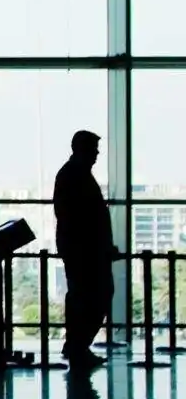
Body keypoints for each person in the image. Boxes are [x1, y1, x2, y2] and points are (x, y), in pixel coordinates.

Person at [55, 129, 119, 369]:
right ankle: (78, 345)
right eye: (93, 149)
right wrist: (98, 247)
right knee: (92, 296)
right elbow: (81, 218)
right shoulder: (75, 176)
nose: (97, 154)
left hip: (83, 250)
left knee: (85, 296)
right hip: (85, 252)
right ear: (82, 149)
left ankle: (77, 344)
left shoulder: (73, 174)